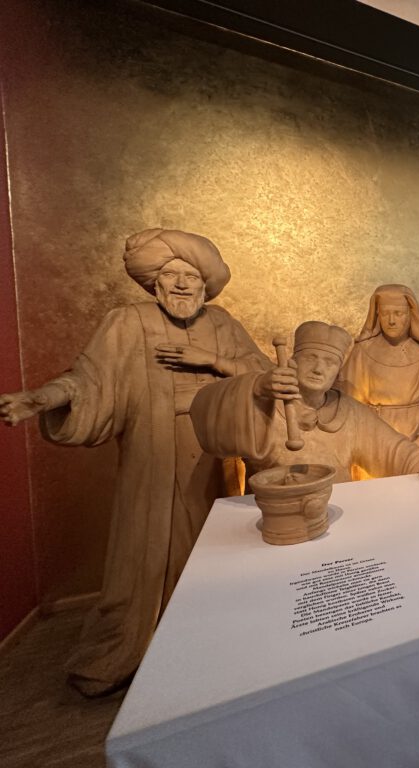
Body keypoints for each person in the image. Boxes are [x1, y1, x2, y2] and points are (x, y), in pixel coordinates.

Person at [0, 228, 270, 697]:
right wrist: (41, 398)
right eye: (171, 274)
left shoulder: (222, 324)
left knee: (213, 546)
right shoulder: (128, 322)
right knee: (143, 546)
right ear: (154, 282)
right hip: (153, 453)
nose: (182, 284)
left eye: (191, 276)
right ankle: (128, 646)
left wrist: (211, 360)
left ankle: (205, 641)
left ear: (205, 283)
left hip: (213, 458)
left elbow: (262, 375)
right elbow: (88, 380)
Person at [192, 321, 419, 481]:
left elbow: (392, 450)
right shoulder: (263, 403)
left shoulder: (347, 411)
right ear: (293, 362)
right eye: (310, 358)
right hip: (274, 516)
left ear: (337, 373)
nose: (318, 369)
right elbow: (206, 411)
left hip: (336, 515)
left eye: (329, 362)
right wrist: (258, 387)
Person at [341, 284, 419, 454]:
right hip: (373, 438)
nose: (391, 321)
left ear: (410, 315)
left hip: (413, 440)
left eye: (398, 313)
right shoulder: (363, 351)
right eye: (385, 313)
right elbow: (351, 405)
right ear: (377, 315)